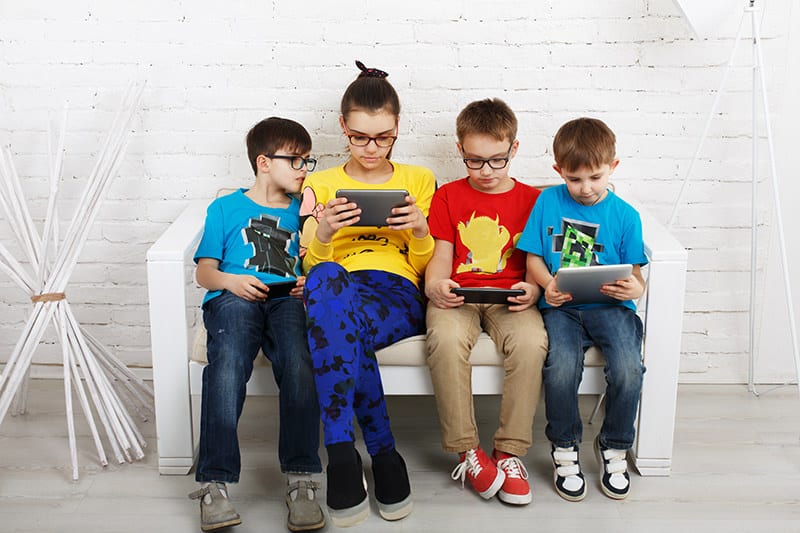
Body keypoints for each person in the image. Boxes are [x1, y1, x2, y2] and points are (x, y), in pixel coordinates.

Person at [299, 60, 435, 527]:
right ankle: (378, 454)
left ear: (398, 128)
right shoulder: (318, 185)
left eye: (383, 137)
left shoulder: (419, 180)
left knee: (336, 324)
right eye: (360, 136)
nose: (371, 147)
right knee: (326, 281)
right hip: (333, 287)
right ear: (343, 128)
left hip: (395, 291)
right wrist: (324, 233)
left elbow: (423, 269)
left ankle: (344, 454)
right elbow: (308, 268)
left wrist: (418, 230)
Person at [189, 117, 324, 532]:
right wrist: (232, 280)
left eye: (307, 160)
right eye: (296, 160)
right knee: (227, 364)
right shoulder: (226, 208)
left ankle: (301, 480)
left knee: (300, 363)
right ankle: (215, 483)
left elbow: (315, 260)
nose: (304, 168)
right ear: (264, 162)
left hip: (286, 301)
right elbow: (205, 273)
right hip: (233, 297)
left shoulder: (302, 212)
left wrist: (307, 281)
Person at [424, 98, 548, 505]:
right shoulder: (446, 197)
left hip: (511, 297)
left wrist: (534, 288)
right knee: (443, 340)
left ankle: (509, 452)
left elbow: (535, 261)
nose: (487, 172)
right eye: (475, 162)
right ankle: (468, 450)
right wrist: (436, 284)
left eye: (497, 161)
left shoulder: (533, 200)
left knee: (531, 343)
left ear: (514, 149)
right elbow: (440, 255)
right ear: (460, 151)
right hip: (457, 295)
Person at [517, 117, 648, 502]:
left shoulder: (625, 215)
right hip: (562, 309)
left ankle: (614, 446)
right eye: (575, 179)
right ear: (559, 171)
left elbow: (635, 271)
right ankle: (564, 447)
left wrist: (635, 286)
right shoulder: (547, 202)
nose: (585, 188)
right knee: (559, 369)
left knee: (628, 368)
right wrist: (549, 285)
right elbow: (533, 262)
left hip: (611, 308)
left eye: (595, 177)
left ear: (613, 168)